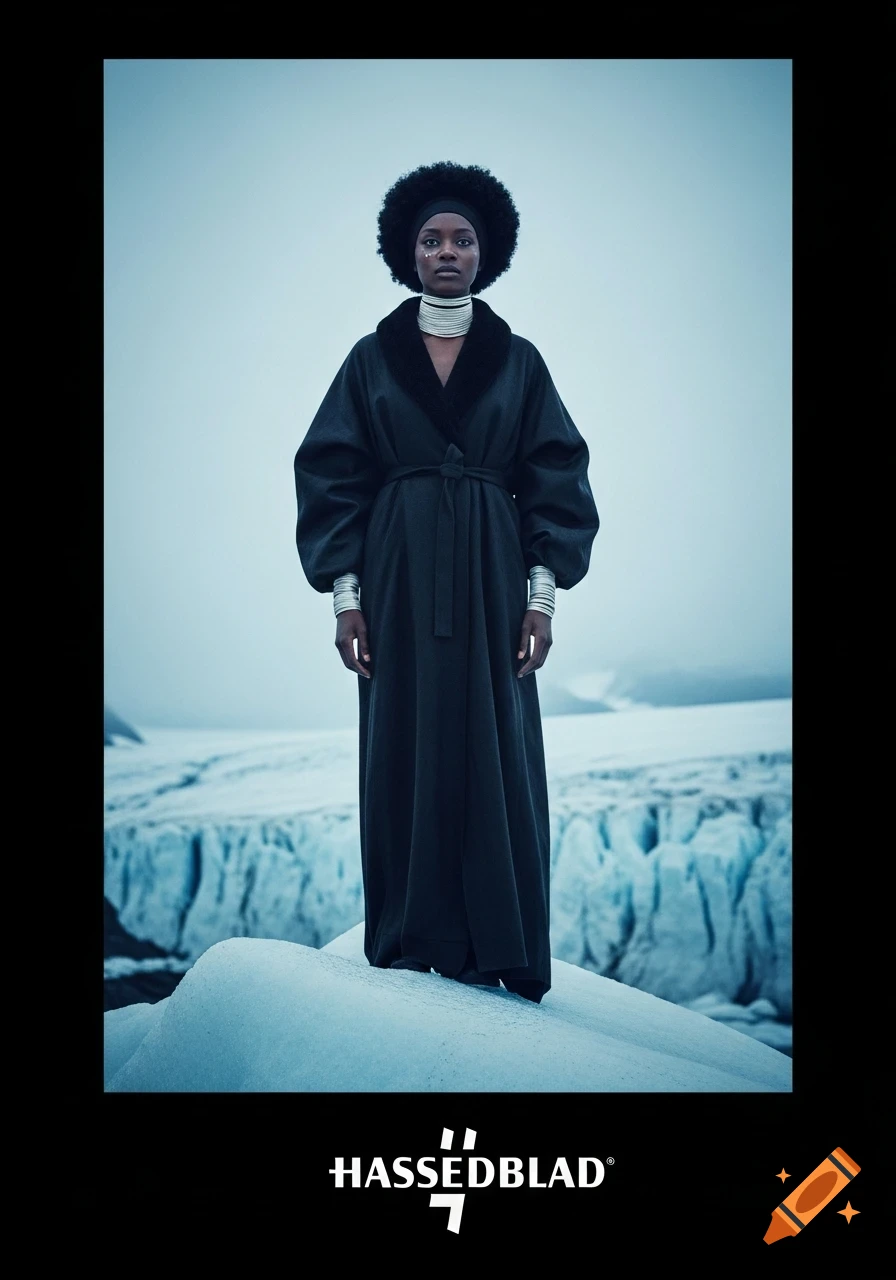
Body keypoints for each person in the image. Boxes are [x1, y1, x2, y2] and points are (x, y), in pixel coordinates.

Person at [294, 161, 599, 1003]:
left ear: (486, 252)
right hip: (395, 572)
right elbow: (331, 478)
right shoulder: (369, 360)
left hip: (496, 573)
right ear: (408, 253)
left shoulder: (520, 361)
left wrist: (541, 597)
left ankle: (501, 944)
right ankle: (409, 937)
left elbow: (556, 478)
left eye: (463, 239)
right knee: (403, 739)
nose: (447, 252)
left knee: (498, 745)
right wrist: (346, 599)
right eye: (431, 239)